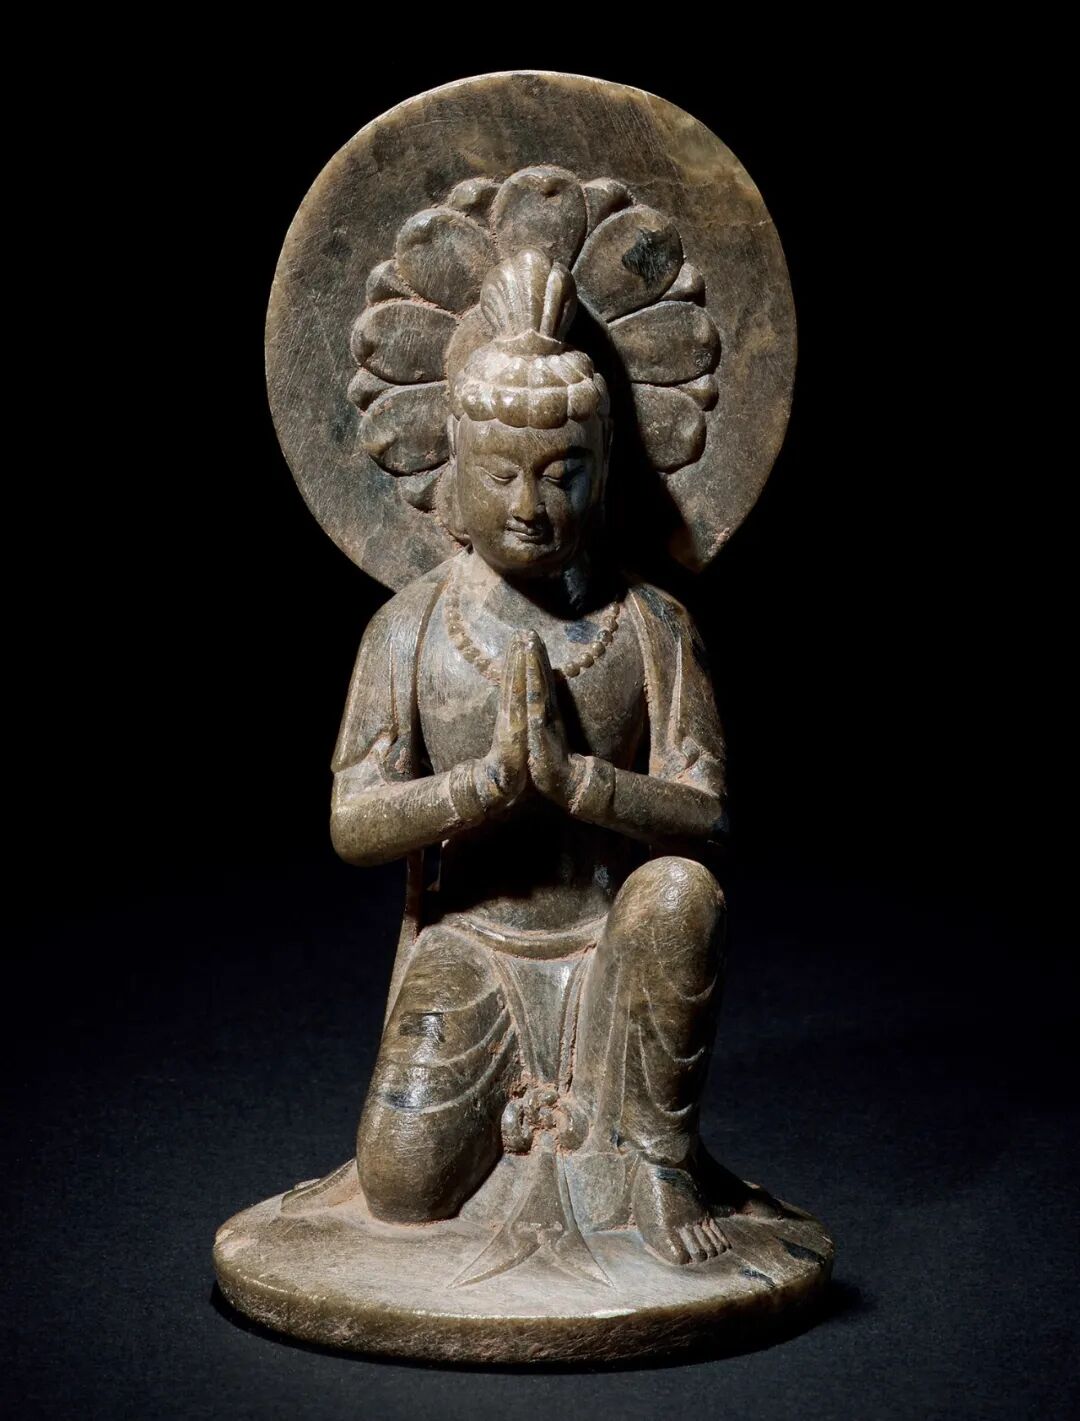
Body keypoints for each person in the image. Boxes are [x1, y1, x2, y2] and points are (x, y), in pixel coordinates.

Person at [319, 248, 734, 1267]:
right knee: (402, 1185)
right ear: (451, 473)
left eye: (562, 473)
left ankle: (653, 1163)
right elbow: (353, 822)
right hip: (475, 945)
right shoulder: (411, 628)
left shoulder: (650, 626)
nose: (529, 505)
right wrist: (486, 784)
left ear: (608, 469)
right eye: (500, 474)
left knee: (681, 892)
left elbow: (708, 809)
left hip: (608, 946)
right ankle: (532, 1130)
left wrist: (577, 781)